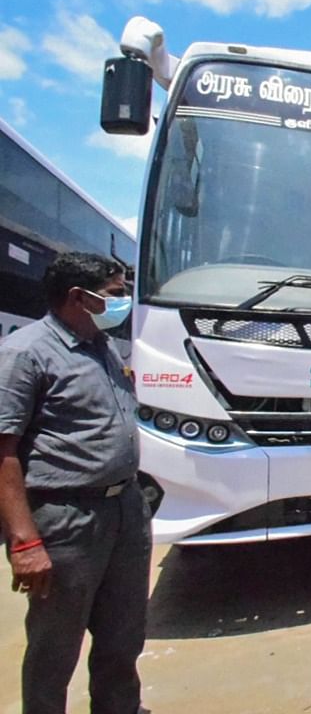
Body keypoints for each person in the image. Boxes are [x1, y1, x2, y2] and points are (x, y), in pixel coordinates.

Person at [0, 252, 151, 713]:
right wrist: (25, 541)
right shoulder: (25, 352)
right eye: (115, 293)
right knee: (55, 646)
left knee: (123, 635)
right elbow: (3, 451)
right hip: (67, 519)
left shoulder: (103, 347)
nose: (124, 300)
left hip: (124, 509)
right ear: (77, 297)